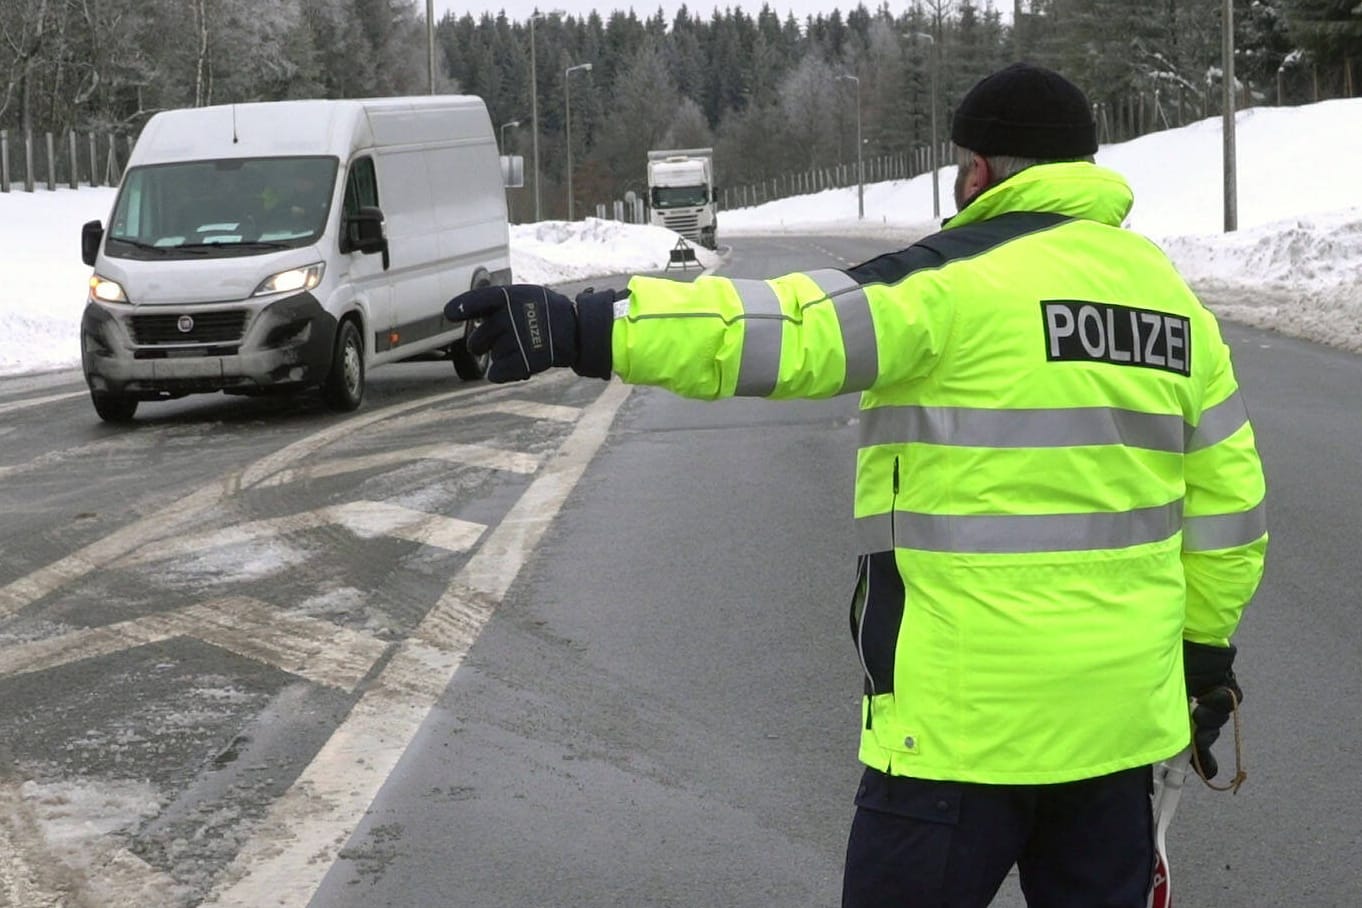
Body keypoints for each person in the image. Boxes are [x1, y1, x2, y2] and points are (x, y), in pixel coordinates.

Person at [444, 62, 1267, 907]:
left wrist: (586, 326)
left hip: (959, 736)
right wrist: (1205, 657)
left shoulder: (955, 281)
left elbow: (782, 331)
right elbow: (1231, 509)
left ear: (977, 170)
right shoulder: (1175, 305)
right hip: (1122, 729)